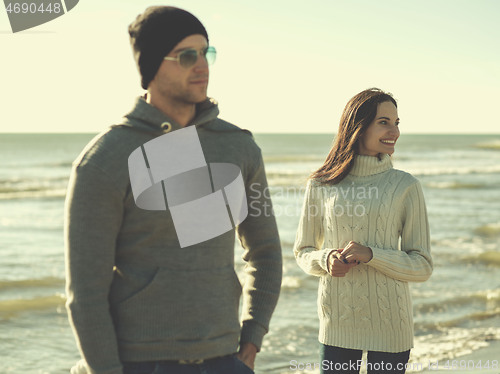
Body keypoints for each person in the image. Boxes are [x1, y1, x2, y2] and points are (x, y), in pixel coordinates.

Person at [64, 6, 282, 374]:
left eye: (205, 52)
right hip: (141, 362)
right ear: (150, 67)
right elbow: (85, 293)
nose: (202, 65)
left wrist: (253, 336)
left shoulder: (237, 147)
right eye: (186, 56)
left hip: (225, 358)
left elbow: (265, 250)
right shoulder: (106, 159)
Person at [293, 88, 432, 374]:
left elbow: (422, 266)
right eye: (384, 122)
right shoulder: (321, 184)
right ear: (358, 126)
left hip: (391, 327)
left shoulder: (405, 186)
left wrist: (372, 255)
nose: (394, 131)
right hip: (337, 325)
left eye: (397, 123)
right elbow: (303, 251)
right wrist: (326, 259)